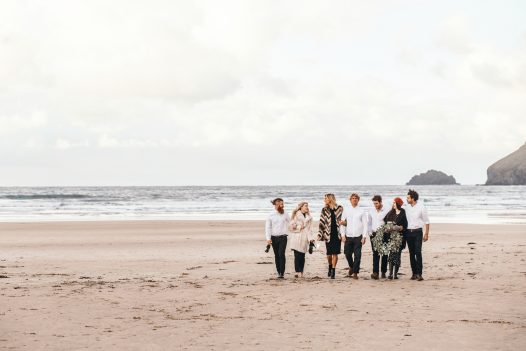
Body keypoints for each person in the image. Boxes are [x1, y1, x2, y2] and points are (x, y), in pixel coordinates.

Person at [339, 193, 368, 279]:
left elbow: (365, 225)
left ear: (358, 200)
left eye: (356, 198)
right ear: (350, 200)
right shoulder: (346, 210)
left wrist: (364, 236)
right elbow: (342, 223)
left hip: (358, 236)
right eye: (353, 198)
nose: (354, 199)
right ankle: (351, 267)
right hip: (348, 236)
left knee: (357, 255)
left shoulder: (361, 211)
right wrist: (343, 235)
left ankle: (355, 273)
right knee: (347, 254)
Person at [405, 189, 430, 281]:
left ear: (413, 198)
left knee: (418, 252)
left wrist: (426, 234)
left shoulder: (421, 207)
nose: (407, 199)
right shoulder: (406, 207)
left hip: (418, 232)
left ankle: (420, 274)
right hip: (408, 232)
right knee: (411, 253)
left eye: (408, 198)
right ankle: (414, 273)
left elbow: (427, 221)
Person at [317, 194, 343, 279]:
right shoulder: (324, 210)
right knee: (329, 254)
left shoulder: (339, 208)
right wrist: (320, 234)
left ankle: (333, 271)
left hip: (337, 234)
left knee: (335, 253)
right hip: (328, 234)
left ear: (330, 199)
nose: (324, 200)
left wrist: (343, 234)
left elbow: (343, 221)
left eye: (326, 198)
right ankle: (330, 265)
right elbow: (321, 223)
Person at [383, 197, 408, 280]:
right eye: (393, 203)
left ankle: (395, 274)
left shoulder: (403, 212)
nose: (393, 204)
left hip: (400, 238)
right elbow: (385, 222)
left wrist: (396, 228)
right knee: (391, 255)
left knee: (397, 255)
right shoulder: (390, 213)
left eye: (394, 203)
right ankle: (390, 273)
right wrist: (387, 228)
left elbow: (405, 226)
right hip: (390, 238)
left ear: (398, 204)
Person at [265, 198, 290, 279]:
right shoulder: (270, 215)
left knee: (281, 254)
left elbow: (291, 222)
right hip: (274, 238)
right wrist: (268, 238)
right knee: (276, 255)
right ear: (276, 205)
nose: (282, 206)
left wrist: (296, 226)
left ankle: (282, 273)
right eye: (280, 204)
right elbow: (268, 227)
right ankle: (278, 272)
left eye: (283, 204)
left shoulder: (285, 213)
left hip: (283, 237)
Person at [288, 202, 315, 278]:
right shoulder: (296, 215)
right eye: (305, 206)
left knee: (302, 256)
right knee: (297, 255)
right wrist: (300, 227)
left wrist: (311, 239)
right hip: (296, 237)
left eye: (307, 206)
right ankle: (297, 271)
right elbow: (290, 226)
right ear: (301, 207)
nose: (307, 207)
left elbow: (310, 229)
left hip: (304, 238)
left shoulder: (309, 217)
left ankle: (301, 271)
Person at [369, 195, 390, 280]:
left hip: (384, 234)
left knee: (384, 253)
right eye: (374, 203)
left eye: (377, 203)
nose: (375, 205)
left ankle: (383, 272)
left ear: (381, 202)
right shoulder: (371, 211)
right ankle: (375, 272)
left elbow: (390, 220)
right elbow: (369, 222)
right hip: (374, 234)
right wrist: (370, 232)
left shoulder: (387, 209)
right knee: (375, 253)